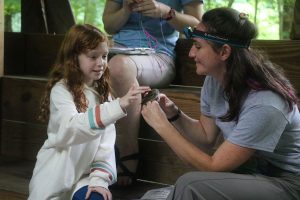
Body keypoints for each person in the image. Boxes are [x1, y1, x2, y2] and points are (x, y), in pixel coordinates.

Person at [141, 7, 300, 200]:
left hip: (288, 183)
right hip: (252, 172)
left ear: (224, 52)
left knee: (189, 185)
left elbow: (212, 165)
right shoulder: (215, 79)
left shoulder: (266, 102)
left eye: (198, 46)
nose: (191, 53)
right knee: (157, 195)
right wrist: (173, 114)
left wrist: (161, 126)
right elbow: (206, 137)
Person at [28, 24, 150, 200]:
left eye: (105, 56)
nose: (101, 63)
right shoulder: (61, 90)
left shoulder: (103, 95)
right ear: (74, 58)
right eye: (93, 56)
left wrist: (99, 181)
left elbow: (106, 146)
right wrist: (118, 106)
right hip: (55, 178)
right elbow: (70, 129)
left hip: (86, 178)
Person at [102, 0, 204, 186]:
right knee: (83, 62)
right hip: (117, 50)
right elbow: (108, 25)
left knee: (117, 67)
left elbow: (199, 25)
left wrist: (167, 13)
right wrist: (125, 9)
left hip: (158, 55)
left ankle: (126, 152)